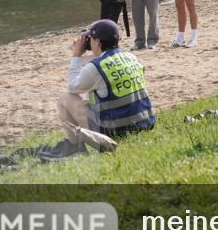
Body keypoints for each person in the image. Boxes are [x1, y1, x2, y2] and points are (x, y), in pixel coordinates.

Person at [56, 19, 155, 155]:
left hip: (116, 130)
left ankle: (76, 148)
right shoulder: (131, 57)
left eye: (91, 39)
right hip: (144, 123)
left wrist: (76, 55)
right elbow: (106, 64)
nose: (89, 42)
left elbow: (73, 87)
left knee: (66, 99)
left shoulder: (96, 67)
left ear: (97, 42)